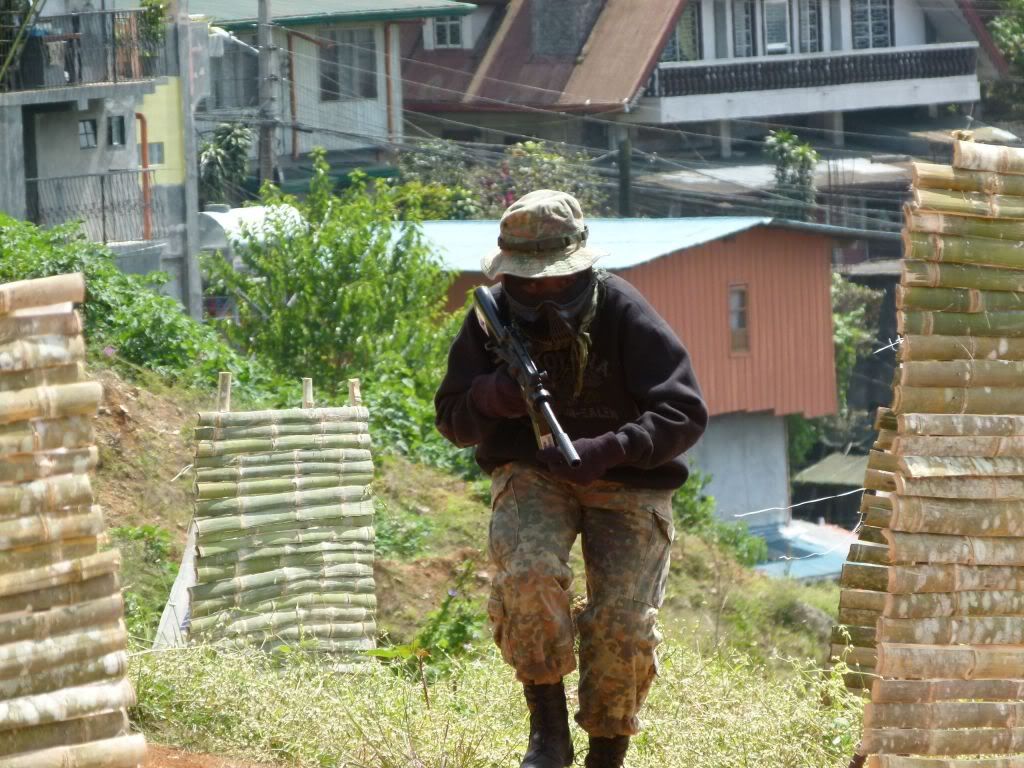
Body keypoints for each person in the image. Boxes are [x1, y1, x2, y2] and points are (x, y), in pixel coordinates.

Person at [435, 189, 708, 768]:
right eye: (526, 281)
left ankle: (607, 753)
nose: (538, 291)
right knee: (528, 576)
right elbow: (452, 419)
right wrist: (491, 397)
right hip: (534, 472)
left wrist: (611, 448)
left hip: (630, 480)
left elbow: (684, 414)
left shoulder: (623, 310)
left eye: (552, 280)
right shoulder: (491, 316)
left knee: (622, 622)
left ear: (580, 268)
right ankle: (548, 734)